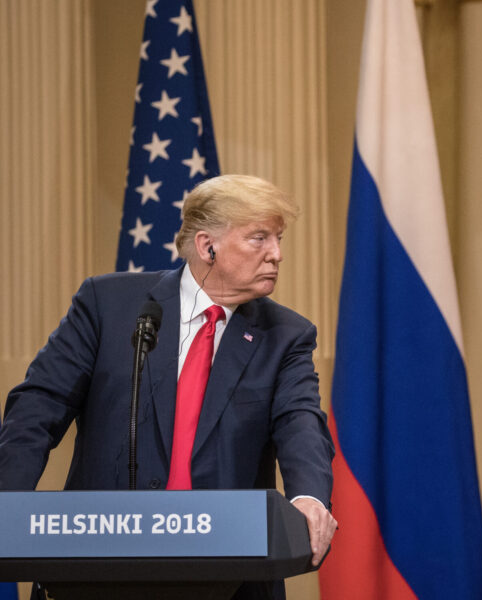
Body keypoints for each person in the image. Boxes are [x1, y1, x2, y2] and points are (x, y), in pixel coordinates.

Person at [0, 174, 337, 598]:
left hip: (229, 576)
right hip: (97, 569)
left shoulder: (286, 335)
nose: (277, 254)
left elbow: (300, 424)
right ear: (206, 245)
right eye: (260, 238)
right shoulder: (109, 305)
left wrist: (309, 497)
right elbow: (37, 409)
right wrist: (6, 508)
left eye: (279, 238)